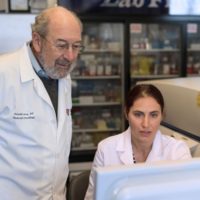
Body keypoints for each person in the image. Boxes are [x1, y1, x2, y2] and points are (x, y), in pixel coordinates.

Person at [0, 6, 83, 200]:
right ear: (37, 40)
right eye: (61, 45)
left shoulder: (63, 75)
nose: (70, 56)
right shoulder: (4, 74)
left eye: (76, 46)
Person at [84, 84, 192, 200]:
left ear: (162, 116)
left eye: (153, 115)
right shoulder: (106, 149)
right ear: (126, 113)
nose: (145, 124)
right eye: (138, 114)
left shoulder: (178, 152)